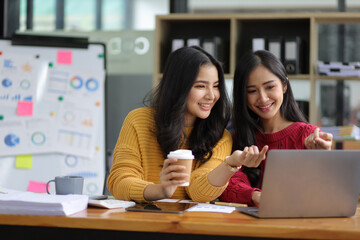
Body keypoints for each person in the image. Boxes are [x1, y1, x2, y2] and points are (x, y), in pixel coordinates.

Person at [107, 46, 267, 203]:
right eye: (201, 86)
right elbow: (119, 181)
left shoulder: (220, 135)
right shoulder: (138, 120)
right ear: (178, 87)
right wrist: (161, 190)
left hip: (190, 226)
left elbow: (199, 193)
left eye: (216, 86)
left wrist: (230, 163)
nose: (211, 96)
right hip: (140, 222)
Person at [219, 50, 333, 206]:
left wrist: (324, 157)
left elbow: (325, 191)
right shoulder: (237, 139)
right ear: (243, 96)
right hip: (248, 226)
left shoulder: (307, 135)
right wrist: (256, 196)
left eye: (270, 87)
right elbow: (225, 184)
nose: (263, 98)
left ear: (284, 86)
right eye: (252, 91)